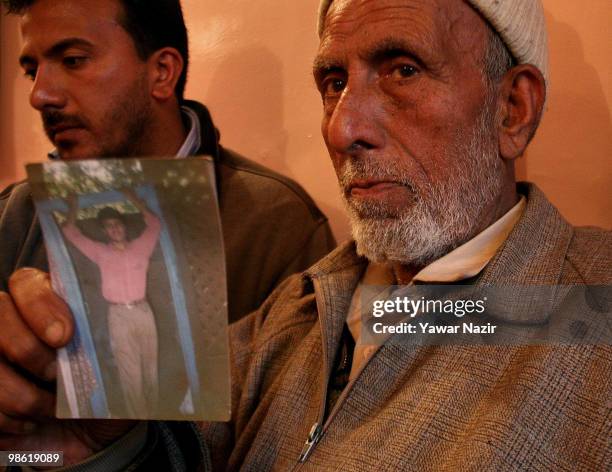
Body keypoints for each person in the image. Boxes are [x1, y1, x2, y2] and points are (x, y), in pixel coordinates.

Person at [0, 0, 610, 471]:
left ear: (512, 109)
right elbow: (170, 452)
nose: (343, 128)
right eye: (333, 82)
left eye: (403, 69)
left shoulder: (594, 309)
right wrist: (93, 449)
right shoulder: (294, 312)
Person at [62, 191, 162, 418]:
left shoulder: (141, 246)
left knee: (151, 369)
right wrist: (73, 206)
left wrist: (133, 197)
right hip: (118, 316)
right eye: (108, 226)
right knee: (130, 375)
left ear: (124, 226)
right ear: (104, 231)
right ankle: (138, 421)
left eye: (117, 223)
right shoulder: (100, 252)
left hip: (144, 311)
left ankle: (157, 418)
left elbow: (155, 223)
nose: (114, 229)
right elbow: (70, 232)